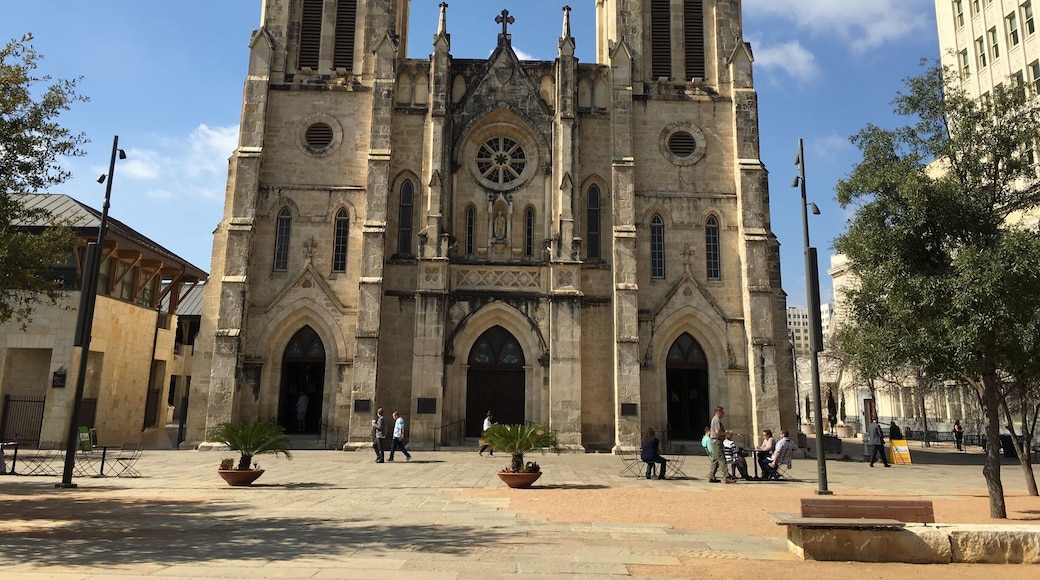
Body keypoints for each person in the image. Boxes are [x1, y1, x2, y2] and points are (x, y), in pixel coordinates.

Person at [708, 406, 735, 483]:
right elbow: (718, 431)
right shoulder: (716, 420)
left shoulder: (716, 420)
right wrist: (726, 433)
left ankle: (711, 476)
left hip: (714, 441)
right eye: (722, 412)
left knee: (715, 459)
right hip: (716, 441)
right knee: (721, 458)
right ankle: (726, 476)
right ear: (718, 412)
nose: (724, 414)